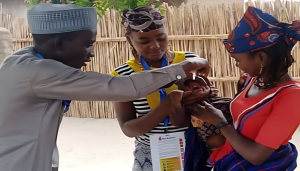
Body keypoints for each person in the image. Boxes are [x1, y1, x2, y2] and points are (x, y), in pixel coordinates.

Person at [0, 3, 209, 171]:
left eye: (161, 38)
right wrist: (186, 67)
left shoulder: (25, 60)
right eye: (87, 44)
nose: (91, 53)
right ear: (57, 45)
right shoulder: (39, 72)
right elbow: (124, 87)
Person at [187, 6, 300, 170]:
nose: (237, 65)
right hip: (229, 159)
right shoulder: (254, 80)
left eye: (238, 60)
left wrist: (219, 122)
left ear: (262, 57)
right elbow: (245, 122)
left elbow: (256, 156)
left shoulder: (292, 97)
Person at [110, 6, 208, 171]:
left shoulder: (189, 62)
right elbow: (128, 128)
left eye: (161, 38)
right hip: (149, 153)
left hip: (193, 146)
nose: (155, 45)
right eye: (144, 41)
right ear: (130, 40)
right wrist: (167, 105)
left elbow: (205, 110)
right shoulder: (123, 75)